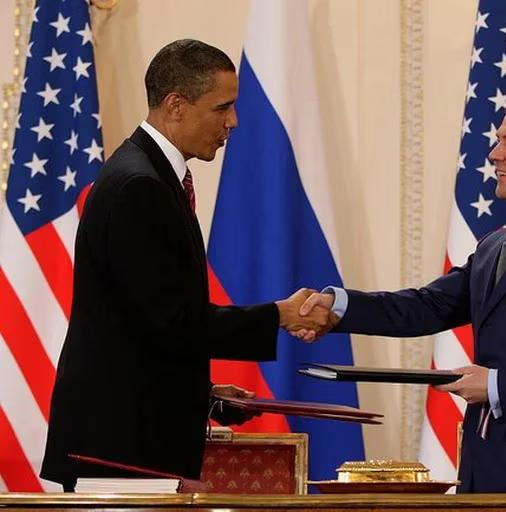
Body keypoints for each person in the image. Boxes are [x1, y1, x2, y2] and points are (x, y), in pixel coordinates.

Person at [297, 95, 506, 493]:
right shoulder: (495, 245)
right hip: (481, 464)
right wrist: (339, 306)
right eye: (498, 141)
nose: (494, 154)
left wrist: (495, 385)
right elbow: (427, 306)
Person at [40, 39, 329, 491]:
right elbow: (171, 322)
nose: (232, 122)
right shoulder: (140, 185)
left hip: (130, 439)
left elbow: (141, 328)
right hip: (119, 450)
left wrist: (204, 397)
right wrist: (279, 315)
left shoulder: (150, 176)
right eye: (222, 108)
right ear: (176, 104)